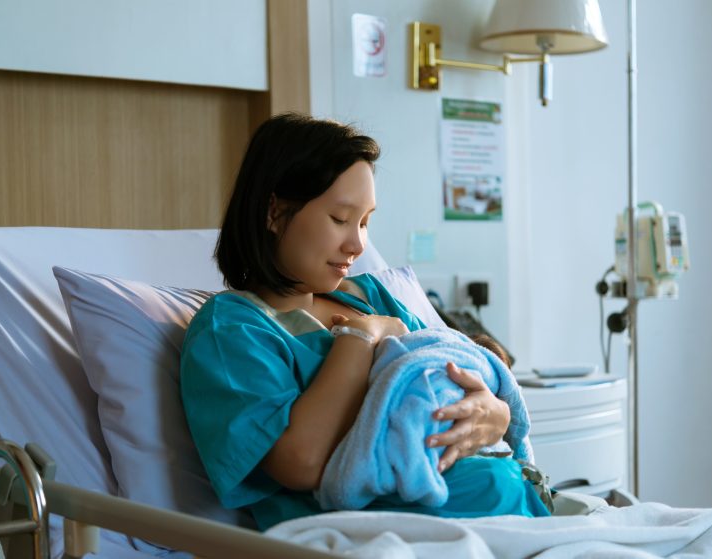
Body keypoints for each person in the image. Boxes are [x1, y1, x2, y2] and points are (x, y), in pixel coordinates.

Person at [179, 113, 550, 532]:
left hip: (473, 487)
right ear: (275, 212)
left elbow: (441, 372)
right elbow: (301, 463)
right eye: (340, 218)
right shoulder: (232, 330)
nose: (357, 244)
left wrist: (496, 414)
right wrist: (360, 337)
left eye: (365, 221)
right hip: (352, 522)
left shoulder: (370, 294)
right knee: (494, 487)